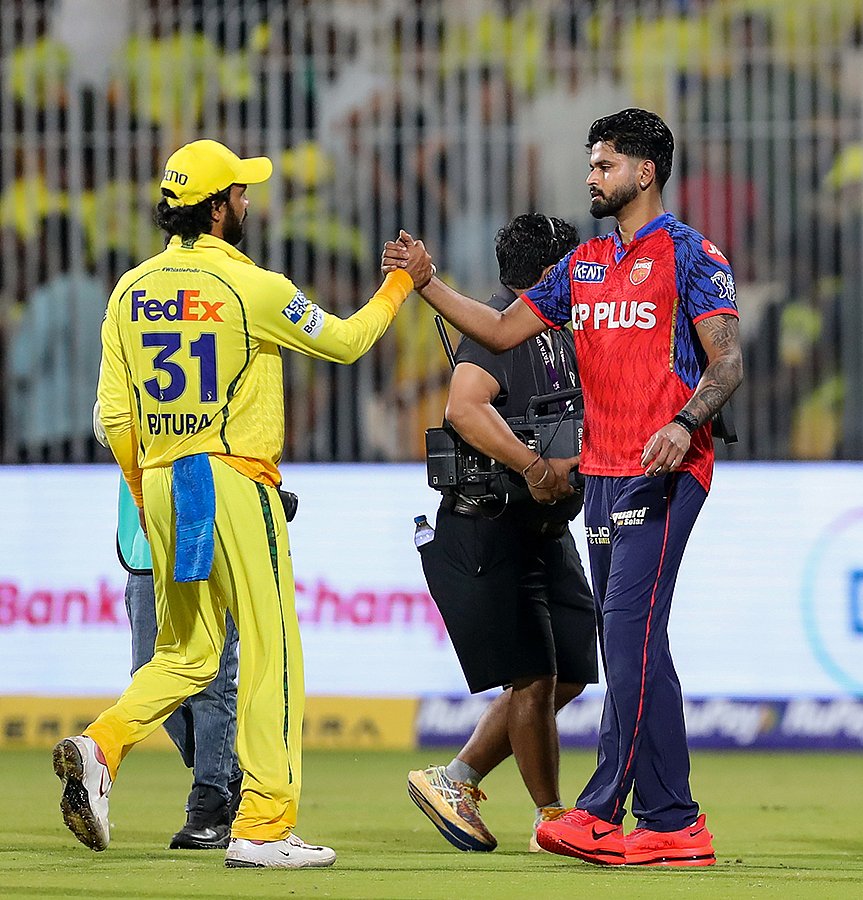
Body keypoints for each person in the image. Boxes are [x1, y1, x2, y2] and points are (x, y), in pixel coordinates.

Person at [54, 138, 431, 869]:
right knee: (271, 652)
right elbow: (349, 343)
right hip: (233, 479)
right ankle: (262, 825)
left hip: (162, 482)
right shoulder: (249, 286)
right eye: (242, 194)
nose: (249, 202)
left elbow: (116, 419)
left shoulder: (128, 291)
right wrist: (402, 286)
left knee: (185, 654)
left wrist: (147, 494)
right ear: (220, 210)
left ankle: (100, 746)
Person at [386, 108, 743, 868]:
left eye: (604, 165)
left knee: (625, 636)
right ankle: (676, 821)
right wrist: (427, 285)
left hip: (665, 469)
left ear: (644, 172)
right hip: (605, 478)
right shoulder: (581, 269)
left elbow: (728, 363)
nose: (591, 177)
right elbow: (502, 327)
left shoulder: (689, 254)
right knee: (639, 644)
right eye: (590, 165)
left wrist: (683, 424)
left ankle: (601, 810)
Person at [407, 213, 598, 854]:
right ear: (550, 274)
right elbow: (462, 407)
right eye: (575, 266)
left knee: (570, 667)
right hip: (491, 523)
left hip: (543, 526)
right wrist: (535, 465)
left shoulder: (557, 328)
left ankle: (453, 777)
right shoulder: (498, 327)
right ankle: (552, 815)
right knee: (535, 678)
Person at [94, 402, 242, 850]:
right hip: (147, 537)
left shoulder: (224, 330)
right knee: (149, 673)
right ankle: (227, 772)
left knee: (213, 680)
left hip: (213, 521)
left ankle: (211, 802)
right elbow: (105, 423)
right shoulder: (125, 332)